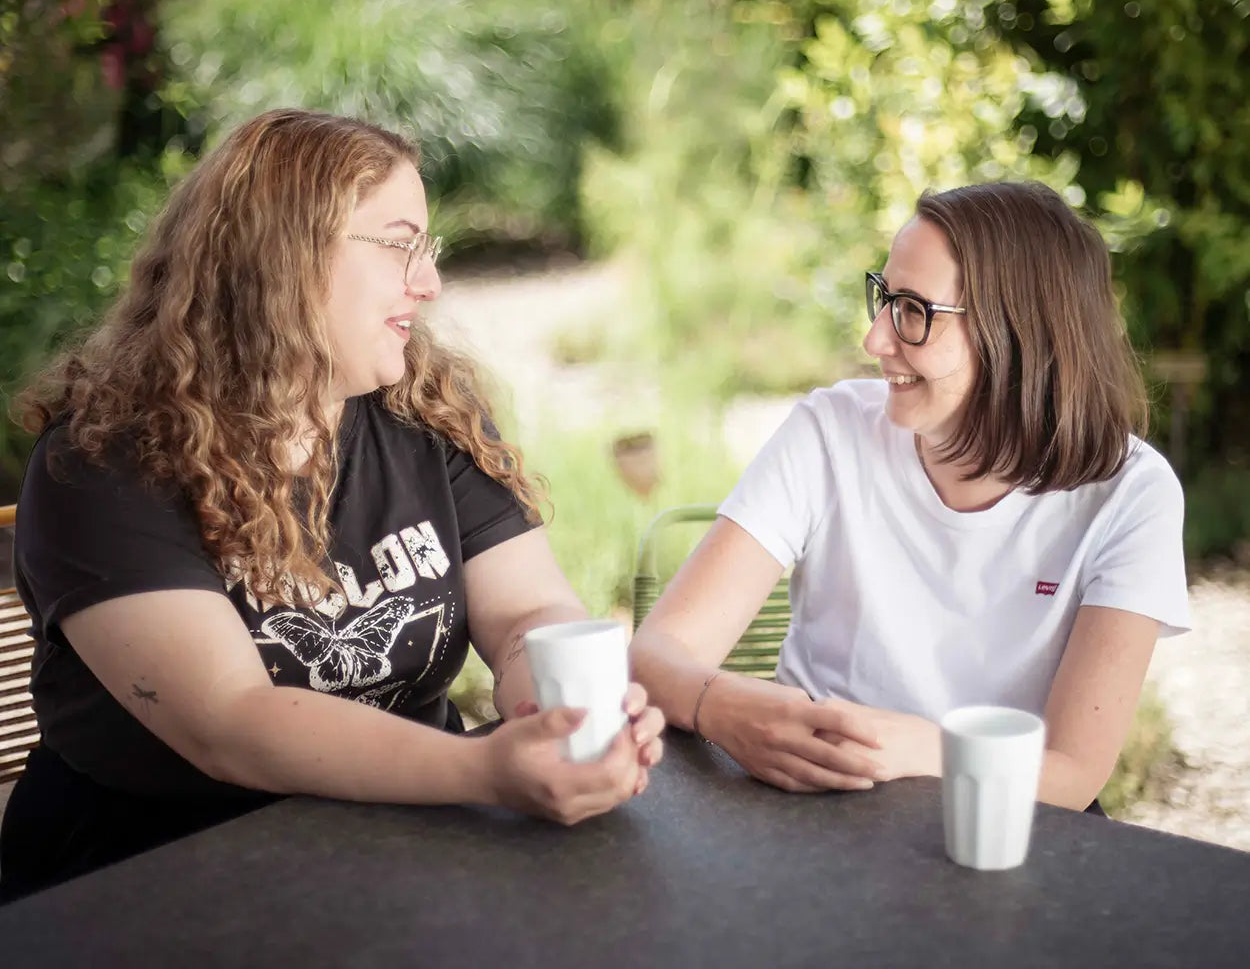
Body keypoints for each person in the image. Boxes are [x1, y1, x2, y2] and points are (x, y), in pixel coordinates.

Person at [0, 108, 663, 903]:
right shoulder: (104, 463)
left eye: (430, 248)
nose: (430, 281)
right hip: (153, 887)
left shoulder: (425, 412)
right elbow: (232, 721)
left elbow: (525, 610)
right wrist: (485, 769)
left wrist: (557, 710)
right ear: (283, 257)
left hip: (401, 852)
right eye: (399, 244)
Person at [630, 181, 1189, 812]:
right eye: (884, 298)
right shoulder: (830, 431)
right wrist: (725, 708)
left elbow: (1069, 776)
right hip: (814, 807)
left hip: (1005, 822)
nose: (875, 340)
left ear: (1019, 334)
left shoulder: (1131, 495)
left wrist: (908, 748)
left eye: (914, 311)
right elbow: (654, 656)